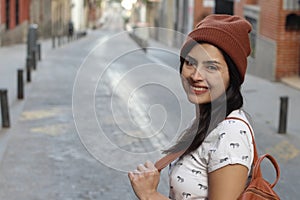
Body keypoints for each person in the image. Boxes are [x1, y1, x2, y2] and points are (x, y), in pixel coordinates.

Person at [128, 14, 254, 199]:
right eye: (190, 63)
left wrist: (150, 195)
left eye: (211, 67)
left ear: (232, 76)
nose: (195, 75)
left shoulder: (231, 134)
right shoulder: (206, 123)